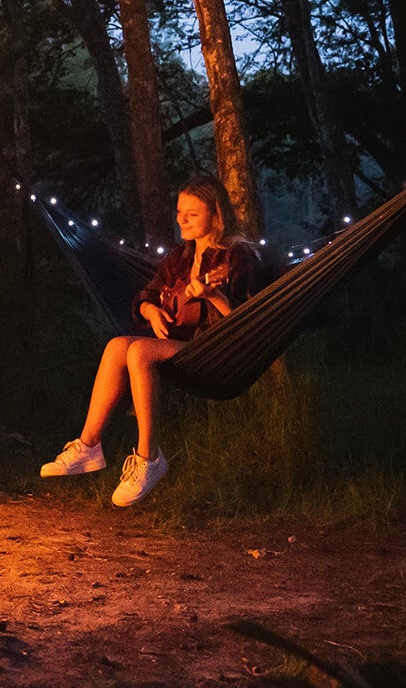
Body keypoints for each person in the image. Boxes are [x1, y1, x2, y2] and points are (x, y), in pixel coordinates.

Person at [39, 175, 258, 506]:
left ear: (216, 215)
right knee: (117, 346)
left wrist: (213, 295)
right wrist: (151, 310)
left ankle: (149, 458)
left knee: (140, 350)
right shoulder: (178, 258)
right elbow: (147, 294)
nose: (180, 219)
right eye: (179, 211)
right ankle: (89, 446)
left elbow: (246, 321)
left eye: (191, 214)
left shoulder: (236, 257)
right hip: (181, 348)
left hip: (217, 351)